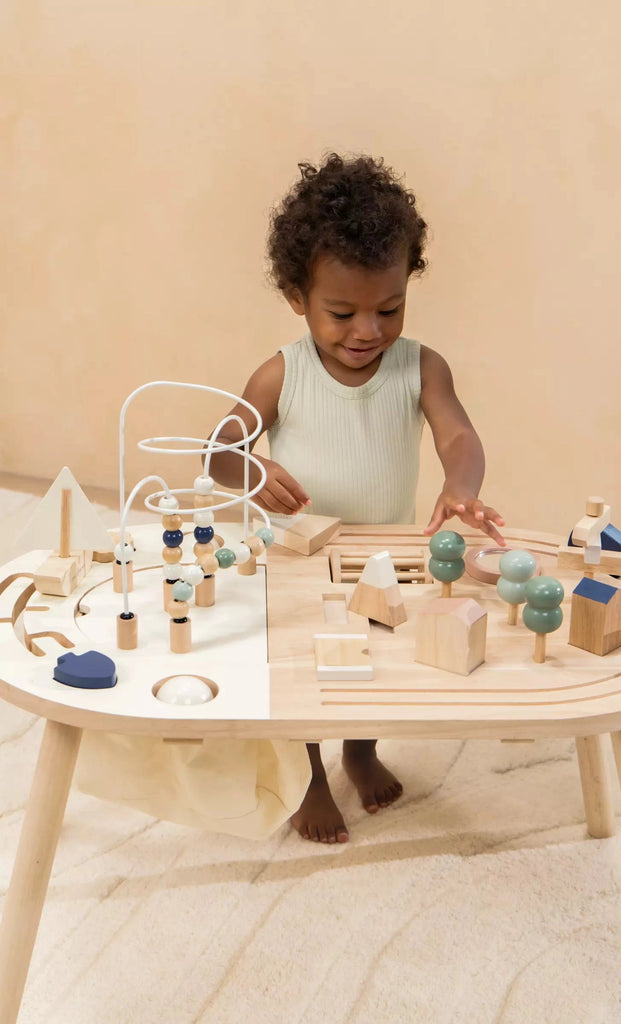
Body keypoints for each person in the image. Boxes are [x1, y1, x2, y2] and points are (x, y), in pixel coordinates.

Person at [210, 153, 505, 844]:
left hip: (381, 553)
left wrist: (460, 487)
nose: (367, 330)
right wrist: (251, 473)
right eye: (341, 312)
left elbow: (458, 435)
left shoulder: (419, 367)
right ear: (296, 297)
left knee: (375, 659)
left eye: (389, 307)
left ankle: (362, 750)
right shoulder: (280, 373)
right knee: (310, 667)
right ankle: (311, 773)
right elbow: (217, 452)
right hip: (297, 556)